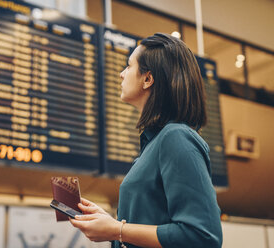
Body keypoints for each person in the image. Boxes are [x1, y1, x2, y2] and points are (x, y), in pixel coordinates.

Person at [69, 33, 223, 248]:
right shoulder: (154, 143)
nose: (122, 74)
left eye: (129, 66)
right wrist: (112, 226)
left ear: (148, 79)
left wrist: (117, 230)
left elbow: (202, 236)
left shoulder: (176, 137)